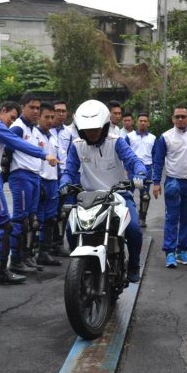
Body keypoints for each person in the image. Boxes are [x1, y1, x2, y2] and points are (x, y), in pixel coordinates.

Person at [60, 100, 147, 283]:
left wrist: (139, 173)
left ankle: (133, 265)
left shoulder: (116, 142)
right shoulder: (77, 145)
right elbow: (69, 170)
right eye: (87, 129)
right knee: (70, 229)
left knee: (134, 229)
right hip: (89, 198)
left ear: (105, 126)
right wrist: (65, 182)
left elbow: (133, 161)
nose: (91, 133)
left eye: (95, 129)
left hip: (118, 195)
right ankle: (79, 266)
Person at [0, 101, 58, 284]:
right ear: (3, 110)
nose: (11, 122)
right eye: (11, 117)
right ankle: (3, 269)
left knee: (1, 223)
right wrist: (44, 154)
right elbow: (16, 143)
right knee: (6, 224)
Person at [152, 105, 187, 268]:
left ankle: (182, 250)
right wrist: (156, 183)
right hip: (173, 182)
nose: (180, 119)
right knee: (172, 217)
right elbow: (158, 160)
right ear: (173, 119)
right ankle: (169, 252)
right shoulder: (166, 137)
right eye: (177, 116)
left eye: (183, 116)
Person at [8, 93, 46, 274]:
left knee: (32, 220)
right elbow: (7, 152)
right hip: (21, 176)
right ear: (22, 107)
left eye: (38, 108)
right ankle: (15, 260)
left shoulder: (34, 130)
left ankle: (27, 256)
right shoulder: (17, 128)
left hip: (34, 176)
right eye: (32, 107)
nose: (36, 111)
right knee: (20, 220)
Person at [32, 102, 61, 266]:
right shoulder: (34, 134)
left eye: (52, 117)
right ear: (39, 117)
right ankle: (31, 253)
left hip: (53, 181)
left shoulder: (54, 136)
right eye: (46, 117)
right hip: (40, 180)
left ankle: (45, 253)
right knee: (37, 219)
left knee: (51, 218)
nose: (50, 120)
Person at [124, 112, 155, 228]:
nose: (142, 123)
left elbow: (155, 155)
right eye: (140, 121)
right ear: (137, 122)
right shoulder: (129, 136)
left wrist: (155, 172)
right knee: (128, 193)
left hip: (147, 169)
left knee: (145, 195)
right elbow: (124, 154)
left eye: (145, 121)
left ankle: (142, 218)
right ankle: (128, 217)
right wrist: (126, 169)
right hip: (132, 169)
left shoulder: (153, 138)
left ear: (148, 123)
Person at [51, 100, 73, 256]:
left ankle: (58, 243)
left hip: (63, 176)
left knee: (62, 212)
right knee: (46, 213)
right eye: (57, 110)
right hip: (48, 176)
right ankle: (41, 245)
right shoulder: (45, 130)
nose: (60, 114)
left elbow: (71, 155)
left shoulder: (69, 133)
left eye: (63, 111)